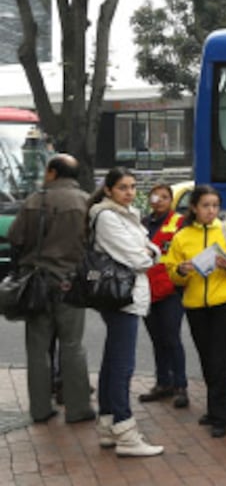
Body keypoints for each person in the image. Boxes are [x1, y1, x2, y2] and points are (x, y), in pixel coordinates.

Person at [7, 154, 95, 426]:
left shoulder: (35, 200)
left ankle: (40, 409)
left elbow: (15, 237)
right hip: (71, 282)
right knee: (72, 345)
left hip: (37, 283)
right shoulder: (86, 202)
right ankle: (78, 408)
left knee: (38, 348)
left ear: (52, 173)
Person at [164, 185, 226, 439]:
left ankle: (220, 415)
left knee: (220, 360)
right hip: (195, 305)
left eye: (215, 205)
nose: (211, 210)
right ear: (194, 208)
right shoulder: (182, 236)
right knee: (206, 358)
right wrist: (181, 270)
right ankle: (216, 408)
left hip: (224, 302)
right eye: (206, 205)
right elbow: (171, 272)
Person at [87, 168, 164, 456]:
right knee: (122, 365)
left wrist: (148, 252)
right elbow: (139, 258)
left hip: (126, 295)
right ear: (108, 190)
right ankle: (125, 432)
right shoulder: (107, 216)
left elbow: (149, 248)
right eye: (122, 187)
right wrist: (149, 253)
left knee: (112, 362)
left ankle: (108, 424)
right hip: (122, 297)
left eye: (132, 187)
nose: (129, 192)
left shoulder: (126, 213)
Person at [139, 183, 189, 408]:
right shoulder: (141, 224)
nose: (159, 200)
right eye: (155, 196)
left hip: (171, 290)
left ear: (171, 200)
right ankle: (163, 383)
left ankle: (180, 386)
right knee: (157, 339)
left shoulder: (179, 223)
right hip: (147, 290)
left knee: (171, 338)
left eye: (164, 197)